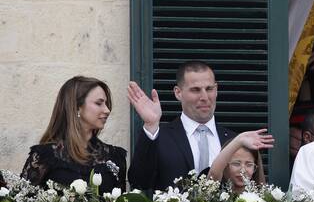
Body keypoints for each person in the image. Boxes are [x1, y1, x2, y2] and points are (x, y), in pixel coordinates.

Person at [127, 61, 238, 192]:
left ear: (216, 90)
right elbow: (139, 182)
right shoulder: (160, 137)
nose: (204, 97)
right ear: (178, 93)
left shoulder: (233, 140)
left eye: (209, 89)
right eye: (195, 90)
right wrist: (151, 125)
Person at [21, 76, 126, 193]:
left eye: (106, 104)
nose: (107, 110)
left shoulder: (115, 157)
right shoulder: (45, 156)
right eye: (99, 103)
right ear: (76, 107)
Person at [208, 131, 274, 193]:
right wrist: (239, 140)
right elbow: (213, 175)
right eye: (236, 164)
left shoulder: (264, 198)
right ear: (224, 165)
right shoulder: (214, 195)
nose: (242, 170)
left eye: (249, 164)